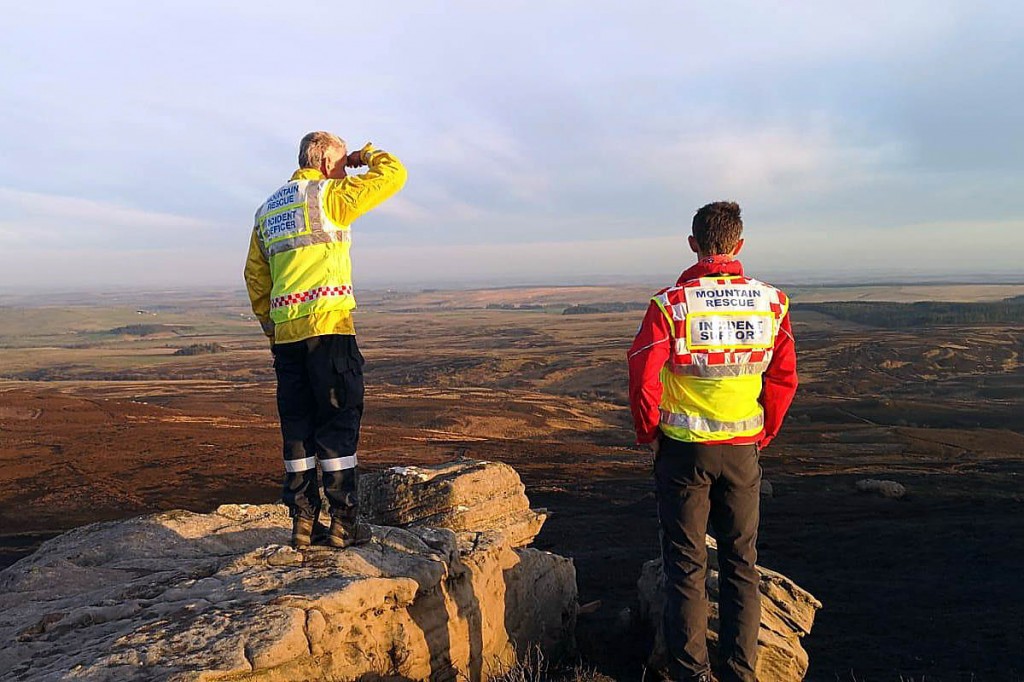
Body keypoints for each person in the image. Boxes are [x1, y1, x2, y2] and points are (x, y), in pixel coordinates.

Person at [627, 201, 797, 682]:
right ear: (739, 245)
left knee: (686, 568)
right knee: (743, 564)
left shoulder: (670, 305)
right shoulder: (773, 303)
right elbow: (784, 378)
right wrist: (764, 431)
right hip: (744, 450)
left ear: (693, 244)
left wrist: (649, 433)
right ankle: (742, 672)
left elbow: (643, 375)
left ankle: (691, 674)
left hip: (683, 451)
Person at [244, 131, 407, 549]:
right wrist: (364, 155)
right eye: (338, 164)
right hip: (329, 331)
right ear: (323, 163)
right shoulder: (328, 197)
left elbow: (255, 278)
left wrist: (272, 327)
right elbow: (394, 174)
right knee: (338, 425)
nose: (342, 171)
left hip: (288, 340)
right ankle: (342, 524)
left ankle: (302, 523)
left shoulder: (267, 210)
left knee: (297, 429)